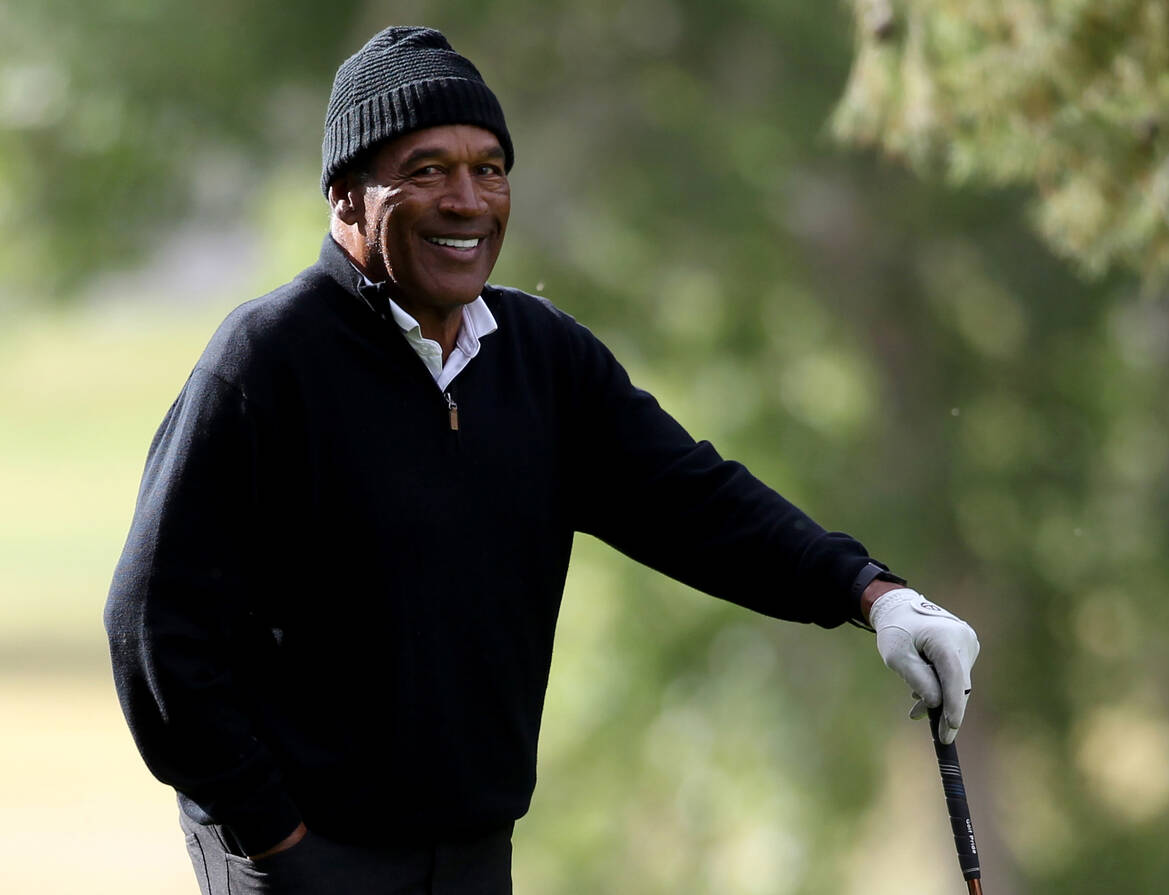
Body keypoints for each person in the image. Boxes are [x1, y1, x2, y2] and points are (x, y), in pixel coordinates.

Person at [104, 25, 979, 895]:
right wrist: (277, 837)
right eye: (426, 170)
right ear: (345, 198)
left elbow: (696, 502)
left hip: (473, 854)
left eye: (488, 168)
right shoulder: (266, 361)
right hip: (303, 857)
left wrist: (873, 594)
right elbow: (152, 629)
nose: (467, 199)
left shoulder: (541, 356)